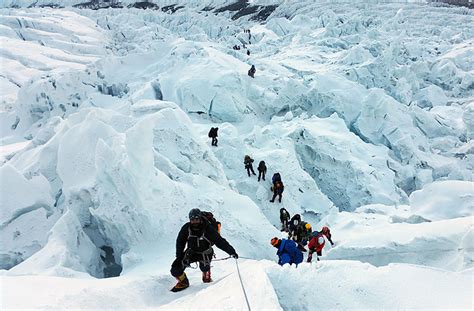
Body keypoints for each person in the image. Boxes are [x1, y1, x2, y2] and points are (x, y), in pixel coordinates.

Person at [170, 209, 238, 292]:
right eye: (192, 220)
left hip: (205, 253)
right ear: (190, 220)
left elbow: (219, 241)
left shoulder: (207, 228)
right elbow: (180, 242)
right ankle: (183, 282)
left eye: (197, 219)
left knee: (205, 271)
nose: (195, 221)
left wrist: (231, 251)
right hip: (191, 252)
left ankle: (207, 277)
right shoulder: (186, 228)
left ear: (200, 218)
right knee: (175, 269)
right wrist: (179, 256)